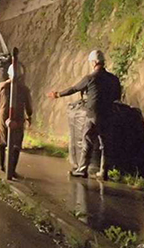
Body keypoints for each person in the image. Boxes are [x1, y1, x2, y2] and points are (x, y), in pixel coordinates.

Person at [48, 49, 121, 180]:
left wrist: (58, 94)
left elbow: (74, 89)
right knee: (106, 145)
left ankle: (82, 170)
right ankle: (104, 173)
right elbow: (117, 96)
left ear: (94, 62)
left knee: (87, 142)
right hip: (108, 115)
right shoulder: (114, 79)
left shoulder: (90, 78)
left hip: (93, 115)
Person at [0, 63, 33, 179]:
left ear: (8, 74)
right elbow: (29, 106)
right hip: (18, 119)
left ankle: (2, 166)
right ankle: (12, 170)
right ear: (21, 76)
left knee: (1, 141)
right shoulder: (24, 89)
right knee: (16, 145)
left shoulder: (1, 86)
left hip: (3, 118)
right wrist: (29, 116)